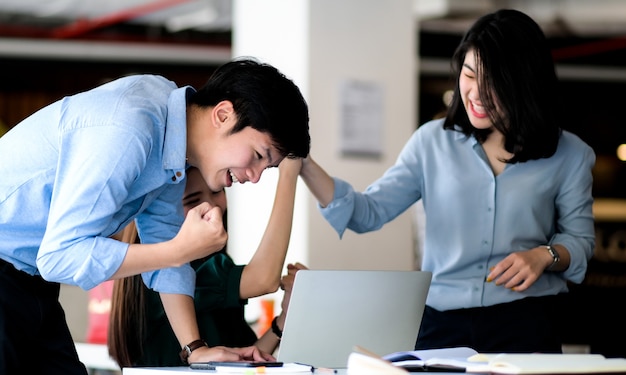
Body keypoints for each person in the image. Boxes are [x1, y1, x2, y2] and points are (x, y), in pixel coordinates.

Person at [299, 9, 595, 353]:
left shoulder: (570, 154)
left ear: (524, 84)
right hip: (441, 324)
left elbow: (580, 240)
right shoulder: (430, 143)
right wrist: (303, 162)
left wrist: (545, 256)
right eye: (469, 74)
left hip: (527, 322)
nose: (476, 93)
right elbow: (367, 212)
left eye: (495, 82)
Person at [0, 57, 310, 374]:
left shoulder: (171, 136)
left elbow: (163, 239)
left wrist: (195, 349)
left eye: (267, 168)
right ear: (223, 114)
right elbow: (59, 257)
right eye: (258, 156)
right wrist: (180, 250)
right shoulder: (130, 130)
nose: (255, 177)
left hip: (28, 280)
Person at [108, 163, 308, 367]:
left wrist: (283, 320)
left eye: (217, 192)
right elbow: (264, 279)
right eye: (193, 200)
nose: (213, 207)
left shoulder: (211, 267)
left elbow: (240, 364)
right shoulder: (174, 274)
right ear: (160, 215)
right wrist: (288, 175)